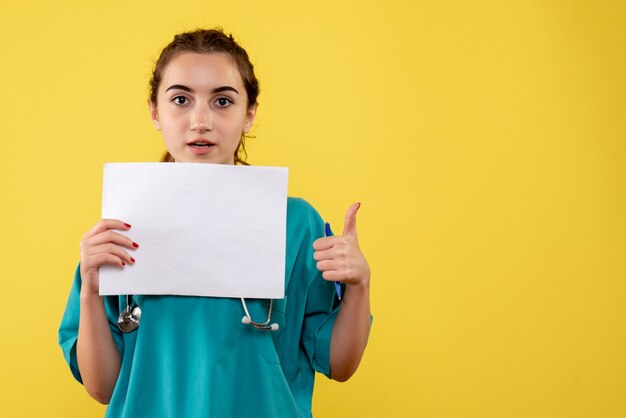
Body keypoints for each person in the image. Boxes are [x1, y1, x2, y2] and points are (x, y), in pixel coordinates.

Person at [58, 28, 371, 418]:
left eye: (223, 100)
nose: (201, 120)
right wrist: (90, 290)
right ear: (155, 111)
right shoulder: (121, 229)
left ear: (249, 113)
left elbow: (340, 365)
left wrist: (359, 285)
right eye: (180, 100)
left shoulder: (296, 225)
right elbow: (102, 388)